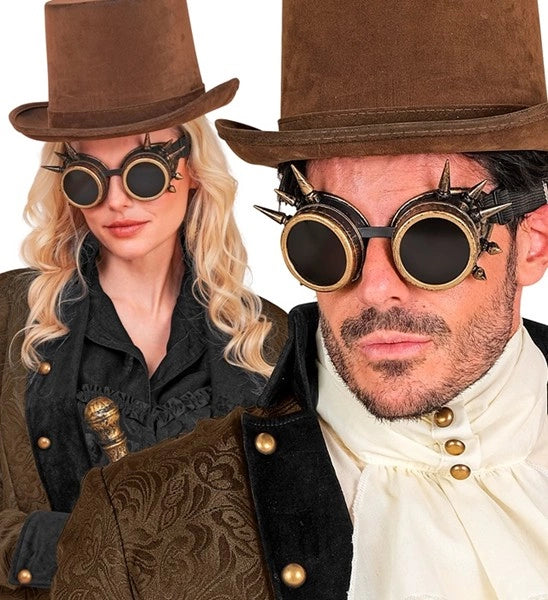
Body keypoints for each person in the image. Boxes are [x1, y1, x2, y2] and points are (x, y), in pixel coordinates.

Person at [52, 1, 548, 598]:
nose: (375, 288)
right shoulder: (140, 531)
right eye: (329, 240)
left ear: (533, 244)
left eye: (434, 240)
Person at [0, 0, 288, 596]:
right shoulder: (10, 316)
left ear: (193, 168)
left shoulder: (270, 339)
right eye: (87, 177)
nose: (116, 201)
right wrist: (106, 551)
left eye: (144, 171)